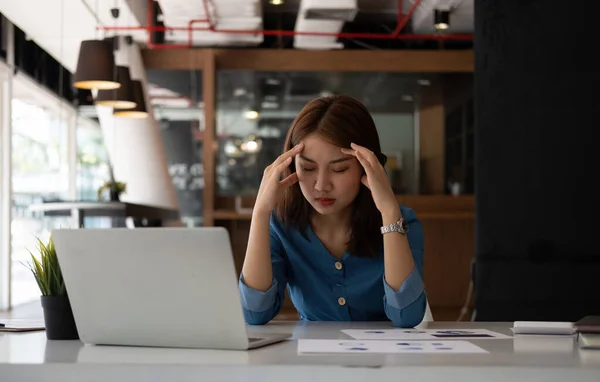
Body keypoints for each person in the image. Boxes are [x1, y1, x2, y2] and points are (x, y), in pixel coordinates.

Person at [238, 95, 427, 328]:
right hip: (312, 358)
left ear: (368, 166)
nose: (321, 186)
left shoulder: (402, 221)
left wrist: (388, 212)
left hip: (384, 359)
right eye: (307, 168)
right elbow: (255, 314)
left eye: (339, 169)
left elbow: (407, 316)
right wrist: (260, 214)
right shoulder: (281, 224)